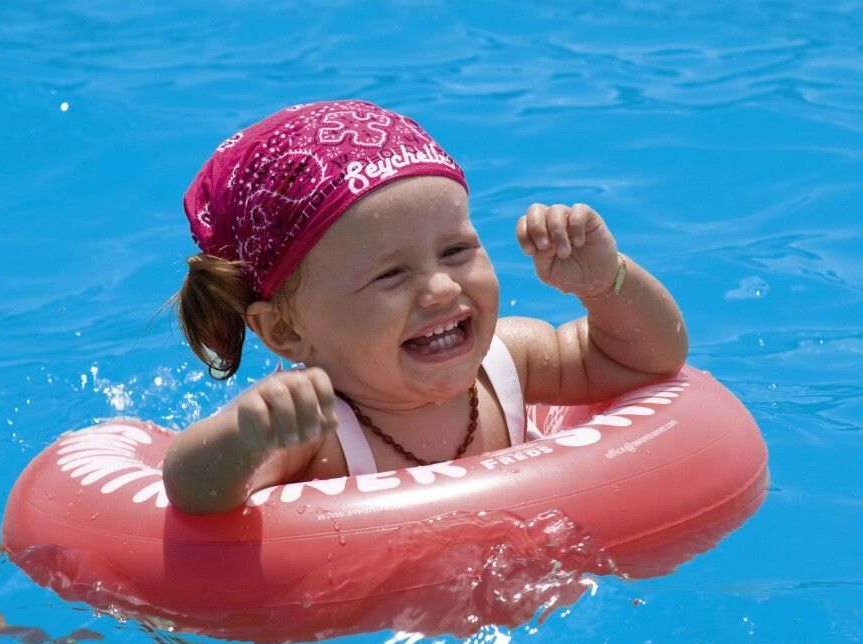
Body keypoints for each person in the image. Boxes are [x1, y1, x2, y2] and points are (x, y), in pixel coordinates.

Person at [163, 100, 687, 514]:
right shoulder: (316, 430)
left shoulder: (509, 363)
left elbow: (648, 359)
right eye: (390, 274)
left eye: (456, 250)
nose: (440, 288)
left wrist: (607, 281)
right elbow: (192, 490)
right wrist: (246, 437)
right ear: (286, 331)